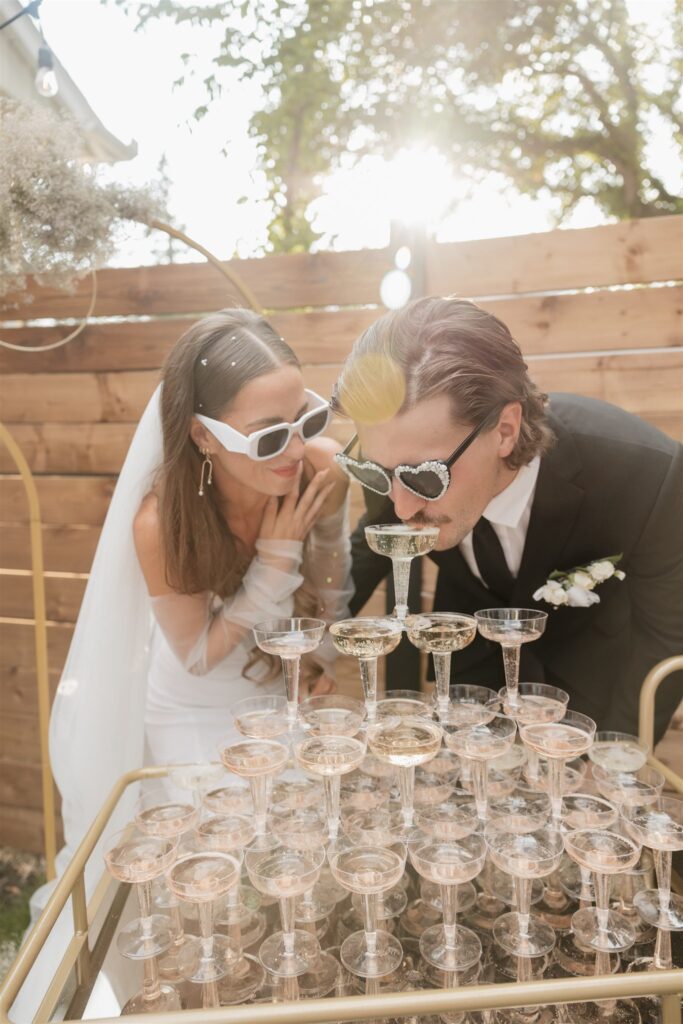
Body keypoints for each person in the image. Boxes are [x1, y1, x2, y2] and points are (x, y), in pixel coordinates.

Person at [48, 308, 352, 872]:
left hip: (281, 687)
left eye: (306, 421)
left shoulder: (321, 468)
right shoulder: (162, 523)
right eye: (267, 438)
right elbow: (196, 654)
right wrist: (273, 564)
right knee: (226, 861)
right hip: (195, 701)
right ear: (204, 435)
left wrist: (318, 655)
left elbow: (333, 572)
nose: (293, 451)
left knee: (309, 847)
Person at [333, 296, 683, 741]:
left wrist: (618, 754)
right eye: (378, 473)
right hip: (465, 691)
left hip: (591, 700)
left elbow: (668, 634)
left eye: (426, 477)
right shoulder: (397, 467)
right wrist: (310, 649)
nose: (401, 507)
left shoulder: (647, 475)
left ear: (504, 430)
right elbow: (371, 549)